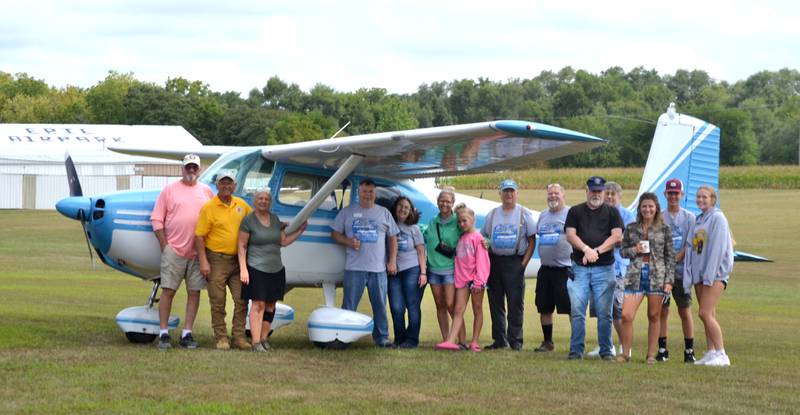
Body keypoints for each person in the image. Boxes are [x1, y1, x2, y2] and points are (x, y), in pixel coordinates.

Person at [150, 154, 213, 349]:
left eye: (194, 167)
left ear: (199, 170)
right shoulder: (169, 190)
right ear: (182, 169)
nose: (191, 171)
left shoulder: (207, 192)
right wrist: (164, 246)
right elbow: (157, 219)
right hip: (174, 250)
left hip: (198, 253)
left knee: (194, 292)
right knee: (168, 290)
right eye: (188, 167)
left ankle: (187, 333)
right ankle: (163, 333)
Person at [331, 179, 399, 348]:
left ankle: (382, 338)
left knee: (380, 306)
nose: (368, 195)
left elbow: (393, 237)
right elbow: (334, 234)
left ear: (375, 193)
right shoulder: (347, 212)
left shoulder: (384, 213)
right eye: (364, 191)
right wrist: (348, 241)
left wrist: (392, 261)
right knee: (349, 305)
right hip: (354, 268)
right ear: (358, 193)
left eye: (371, 192)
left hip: (378, 270)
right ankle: (343, 337)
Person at [237, 190, 306, 352]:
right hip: (256, 267)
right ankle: (255, 342)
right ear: (255, 201)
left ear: (270, 202)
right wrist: (243, 269)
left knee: (270, 305)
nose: (263, 201)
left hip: (276, 268)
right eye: (260, 198)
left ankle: (263, 338)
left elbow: (283, 241)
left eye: (267, 199)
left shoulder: (275, 220)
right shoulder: (248, 220)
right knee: (258, 304)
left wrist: (300, 231)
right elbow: (241, 246)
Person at [565, 176, 623, 360]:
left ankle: (606, 351)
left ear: (604, 192)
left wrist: (596, 252)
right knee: (577, 311)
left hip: (605, 268)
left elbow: (617, 237)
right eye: (593, 190)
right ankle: (576, 351)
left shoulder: (612, 212)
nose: (596, 194)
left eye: (599, 191)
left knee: (605, 312)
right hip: (579, 268)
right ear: (587, 191)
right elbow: (570, 235)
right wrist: (585, 249)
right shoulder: (575, 211)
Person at [195, 170, 253, 350]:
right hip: (216, 260)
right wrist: (204, 261)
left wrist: (278, 225)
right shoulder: (209, 207)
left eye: (230, 183)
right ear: (217, 185)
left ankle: (238, 337)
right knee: (218, 300)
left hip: (238, 261)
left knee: (241, 300)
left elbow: (255, 221)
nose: (226, 186)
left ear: (235, 186)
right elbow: (199, 237)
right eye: (223, 183)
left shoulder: (242, 205)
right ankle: (221, 338)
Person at [617, 192, 675, 363]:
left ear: (656, 208)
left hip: (657, 276)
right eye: (644, 206)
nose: (647, 209)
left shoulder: (664, 229)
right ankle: (625, 353)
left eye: (650, 206)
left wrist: (669, 281)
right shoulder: (631, 227)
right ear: (639, 208)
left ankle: (651, 354)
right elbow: (623, 251)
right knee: (626, 315)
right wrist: (635, 249)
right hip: (635, 275)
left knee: (654, 315)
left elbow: (670, 257)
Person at [482, 179, 536, 351]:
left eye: (512, 191)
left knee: (515, 303)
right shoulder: (492, 214)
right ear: (500, 193)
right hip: (495, 261)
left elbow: (531, 240)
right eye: (505, 191)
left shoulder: (524, 213)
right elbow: (485, 237)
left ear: (517, 193)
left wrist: (523, 264)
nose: (509, 194)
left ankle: (516, 340)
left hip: (515, 261)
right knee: (495, 302)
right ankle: (499, 339)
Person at [685, 185, 734, 367]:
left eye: (704, 197)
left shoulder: (718, 218)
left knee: (704, 313)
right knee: (710, 313)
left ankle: (722, 353)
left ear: (713, 199)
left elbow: (718, 249)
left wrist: (710, 275)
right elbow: (694, 248)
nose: (700, 200)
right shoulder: (698, 220)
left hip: (713, 275)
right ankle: (711, 352)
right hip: (700, 275)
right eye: (698, 197)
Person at [587, 181, 636, 357]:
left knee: (617, 311)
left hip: (616, 267)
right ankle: (606, 346)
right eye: (606, 193)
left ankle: (625, 347)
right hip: (597, 266)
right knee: (601, 310)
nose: (609, 196)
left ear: (619, 196)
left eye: (612, 194)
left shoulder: (627, 215)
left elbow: (627, 239)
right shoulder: (597, 213)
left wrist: (604, 241)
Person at [436, 204, 490, 352]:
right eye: (459, 221)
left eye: (464, 221)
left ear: (473, 220)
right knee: (458, 310)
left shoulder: (478, 239)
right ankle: (451, 341)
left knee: (477, 309)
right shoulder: (461, 238)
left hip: (476, 282)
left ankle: (475, 341)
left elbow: (483, 262)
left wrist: (479, 281)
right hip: (462, 281)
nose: (461, 224)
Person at [657, 178, 697, 362]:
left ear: (681, 194)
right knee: (662, 311)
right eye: (670, 193)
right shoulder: (660, 217)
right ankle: (662, 350)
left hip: (681, 271)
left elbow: (689, 244)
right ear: (665, 194)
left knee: (684, 310)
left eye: (676, 193)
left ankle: (689, 351)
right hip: (662, 272)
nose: (673, 196)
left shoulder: (689, 217)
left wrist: (673, 261)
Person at [422, 187, 465, 346]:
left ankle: (461, 340)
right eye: (442, 201)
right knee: (440, 305)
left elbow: (470, 234)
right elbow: (425, 234)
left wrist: (484, 242)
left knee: (451, 305)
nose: (444, 204)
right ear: (437, 202)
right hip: (433, 271)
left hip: (450, 271)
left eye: (448, 201)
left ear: (453, 203)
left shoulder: (458, 221)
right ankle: (447, 339)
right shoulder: (433, 221)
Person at [533, 184, 572, 352]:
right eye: (550, 194)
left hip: (565, 269)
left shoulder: (571, 214)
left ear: (564, 195)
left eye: (556, 193)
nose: (553, 196)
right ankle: (547, 342)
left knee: (571, 307)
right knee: (544, 306)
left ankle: (576, 342)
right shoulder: (543, 215)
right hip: (546, 269)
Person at [387, 196, 427, 348]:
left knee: (412, 305)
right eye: (400, 206)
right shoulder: (388, 226)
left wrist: (423, 273)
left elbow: (421, 251)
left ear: (410, 212)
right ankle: (399, 339)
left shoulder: (414, 229)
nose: (403, 209)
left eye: (406, 207)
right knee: (396, 306)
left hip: (412, 269)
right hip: (393, 272)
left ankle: (411, 340)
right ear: (395, 207)